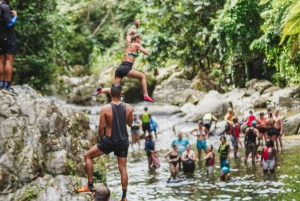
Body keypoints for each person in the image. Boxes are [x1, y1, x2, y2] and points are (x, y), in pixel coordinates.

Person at [78, 84, 133, 201]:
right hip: (123, 141)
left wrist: (102, 140)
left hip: (109, 141)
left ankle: (90, 185)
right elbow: (130, 124)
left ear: (110, 94)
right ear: (121, 94)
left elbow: (100, 128)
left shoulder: (105, 108)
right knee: (122, 168)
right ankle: (124, 197)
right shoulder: (128, 107)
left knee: (88, 156)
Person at [93, 20, 153, 103]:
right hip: (126, 68)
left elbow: (128, 34)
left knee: (116, 89)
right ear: (137, 39)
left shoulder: (128, 44)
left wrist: (135, 26)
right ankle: (146, 95)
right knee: (142, 76)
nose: (140, 41)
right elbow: (146, 53)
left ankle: (101, 90)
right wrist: (141, 47)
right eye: (139, 39)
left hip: (120, 68)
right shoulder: (137, 45)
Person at [0, 0, 18, 95]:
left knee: (1, 60)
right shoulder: (5, 7)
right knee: (9, 60)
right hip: (9, 37)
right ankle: (7, 86)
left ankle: (1, 83)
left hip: (0, 37)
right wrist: (15, 16)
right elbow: (9, 23)